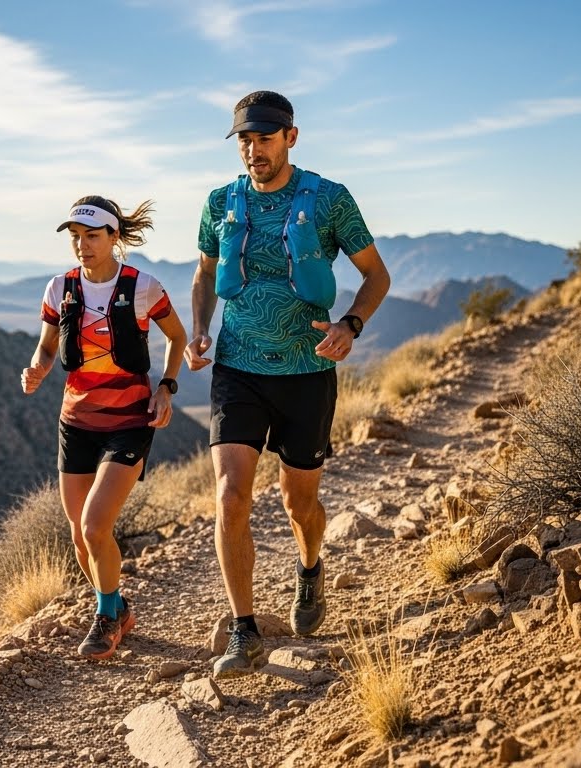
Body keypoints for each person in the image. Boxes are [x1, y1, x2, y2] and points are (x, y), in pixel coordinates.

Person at [185, 91, 391, 679]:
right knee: (230, 495)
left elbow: (375, 275)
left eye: (264, 139)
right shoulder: (221, 202)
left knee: (299, 503)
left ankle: (309, 568)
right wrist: (200, 328)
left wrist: (351, 325)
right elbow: (204, 273)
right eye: (244, 141)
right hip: (237, 369)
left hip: (307, 372)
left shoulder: (330, 199)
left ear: (291, 138)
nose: (253, 151)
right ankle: (244, 629)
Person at [22, 195, 188, 660]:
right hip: (75, 422)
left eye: (92, 236)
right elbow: (48, 348)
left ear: (114, 237)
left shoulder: (143, 286)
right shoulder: (60, 288)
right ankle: (117, 607)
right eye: (76, 237)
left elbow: (176, 336)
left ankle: (105, 618)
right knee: (80, 536)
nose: (82, 245)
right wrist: (36, 368)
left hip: (130, 421)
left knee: (97, 526)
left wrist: (167, 387)